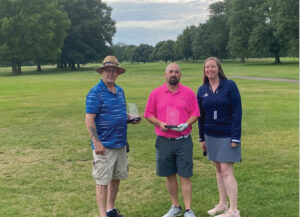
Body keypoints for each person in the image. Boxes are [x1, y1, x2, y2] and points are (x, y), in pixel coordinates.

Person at [85, 56, 139, 217]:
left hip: (120, 144)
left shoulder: (120, 90)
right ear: (102, 72)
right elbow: (89, 119)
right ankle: (103, 215)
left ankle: (110, 209)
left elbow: (121, 113)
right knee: (102, 181)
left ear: (118, 73)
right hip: (104, 146)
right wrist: (97, 142)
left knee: (117, 177)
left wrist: (131, 117)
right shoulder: (95, 93)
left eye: (114, 71)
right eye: (107, 70)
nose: (111, 73)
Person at [144, 63, 200, 217]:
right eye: (170, 71)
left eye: (176, 71)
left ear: (180, 75)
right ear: (165, 74)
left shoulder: (188, 93)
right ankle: (175, 206)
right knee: (169, 175)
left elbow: (195, 113)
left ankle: (188, 210)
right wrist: (159, 123)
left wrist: (187, 124)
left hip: (183, 140)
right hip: (164, 140)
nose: (173, 74)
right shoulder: (156, 93)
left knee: (185, 175)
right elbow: (148, 114)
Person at [197, 57, 242, 217]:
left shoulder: (229, 86)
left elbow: (237, 112)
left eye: (212, 67)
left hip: (227, 134)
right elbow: (200, 116)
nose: (209, 70)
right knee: (218, 169)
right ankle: (223, 204)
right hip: (210, 135)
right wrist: (201, 138)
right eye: (206, 67)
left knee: (226, 170)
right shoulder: (202, 90)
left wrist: (235, 137)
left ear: (218, 68)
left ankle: (234, 210)